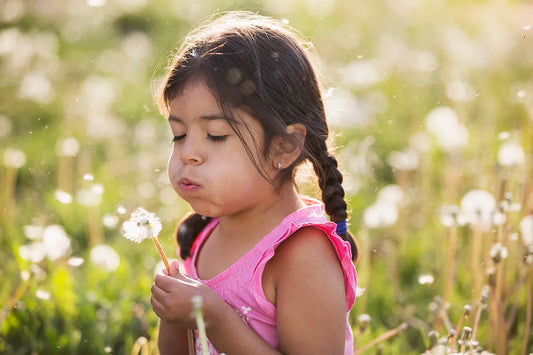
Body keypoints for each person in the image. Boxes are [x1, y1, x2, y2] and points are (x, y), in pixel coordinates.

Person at [150, 11, 358, 355]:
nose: (188, 154)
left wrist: (215, 318)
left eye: (215, 136)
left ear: (283, 147)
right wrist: (174, 314)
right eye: (179, 135)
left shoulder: (303, 254)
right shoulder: (203, 234)